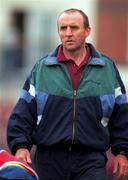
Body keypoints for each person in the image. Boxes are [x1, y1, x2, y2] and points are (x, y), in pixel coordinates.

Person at [7, 8, 128, 180]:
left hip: (91, 161)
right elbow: (23, 112)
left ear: (87, 31)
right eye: (63, 28)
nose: (68, 33)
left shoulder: (107, 68)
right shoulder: (42, 69)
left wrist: (123, 152)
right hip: (48, 161)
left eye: (74, 27)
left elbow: (121, 114)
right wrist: (20, 146)